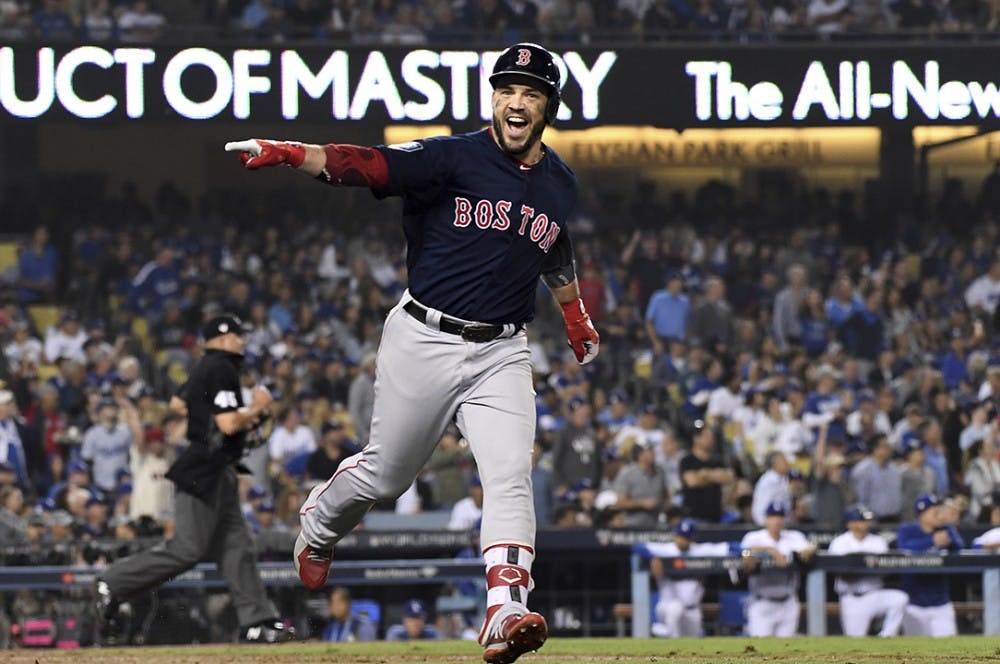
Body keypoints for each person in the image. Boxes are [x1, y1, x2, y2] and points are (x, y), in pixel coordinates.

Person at [226, 42, 599, 664]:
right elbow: (366, 165)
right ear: (494, 98)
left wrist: (572, 311)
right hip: (425, 334)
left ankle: (505, 609)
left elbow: (550, 244)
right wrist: (294, 154)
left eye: (530, 93)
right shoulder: (454, 156)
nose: (516, 101)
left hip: (502, 349)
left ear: (547, 107)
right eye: (507, 89)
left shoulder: (561, 181)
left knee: (510, 476)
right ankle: (318, 522)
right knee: (388, 475)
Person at [94, 315, 293, 644]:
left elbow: (177, 403)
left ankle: (257, 621)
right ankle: (113, 582)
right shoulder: (221, 367)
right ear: (219, 339)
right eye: (236, 336)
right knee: (187, 549)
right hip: (203, 471)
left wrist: (204, 419)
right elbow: (229, 424)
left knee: (238, 548)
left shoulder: (205, 367)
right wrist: (257, 407)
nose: (241, 341)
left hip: (219, 469)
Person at [827, 505, 908, 637]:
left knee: (900, 599)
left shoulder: (878, 542)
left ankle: (886, 636)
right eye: (862, 520)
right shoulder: (840, 543)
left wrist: (867, 567)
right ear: (851, 524)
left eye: (866, 520)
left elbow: (886, 570)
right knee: (856, 641)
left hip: (875, 594)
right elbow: (837, 571)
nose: (866, 523)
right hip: (852, 598)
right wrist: (863, 567)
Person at [739, 501, 817, 637]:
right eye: (773, 517)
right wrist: (771, 550)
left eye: (780, 517)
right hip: (762, 602)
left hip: (788, 601)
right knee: (760, 648)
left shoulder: (794, 537)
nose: (777, 521)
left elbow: (810, 547)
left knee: (787, 649)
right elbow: (743, 552)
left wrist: (810, 549)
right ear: (766, 519)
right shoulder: (754, 537)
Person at [642, 519, 730, 638]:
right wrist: (653, 558)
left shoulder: (700, 550)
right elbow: (637, 546)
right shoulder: (665, 549)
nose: (681, 540)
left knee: (693, 645)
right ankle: (664, 631)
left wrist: (746, 554)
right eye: (679, 535)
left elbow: (731, 547)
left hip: (693, 609)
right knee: (675, 609)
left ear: (691, 538)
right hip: (668, 606)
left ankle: (662, 631)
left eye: (685, 537)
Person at [896, 494, 964, 637]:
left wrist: (949, 538)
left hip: (941, 604)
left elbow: (960, 547)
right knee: (915, 654)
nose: (940, 515)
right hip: (913, 604)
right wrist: (931, 541)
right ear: (922, 515)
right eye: (935, 511)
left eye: (940, 510)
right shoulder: (908, 530)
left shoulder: (946, 529)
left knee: (949, 652)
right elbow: (904, 547)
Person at [679, 419, 734, 522]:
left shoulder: (717, 461)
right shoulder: (687, 461)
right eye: (705, 436)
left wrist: (704, 475)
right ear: (696, 438)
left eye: (710, 436)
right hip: (693, 516)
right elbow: (692, 482)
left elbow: (729, 477)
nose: (710, 439)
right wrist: (715, 476)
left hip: (716, 517)